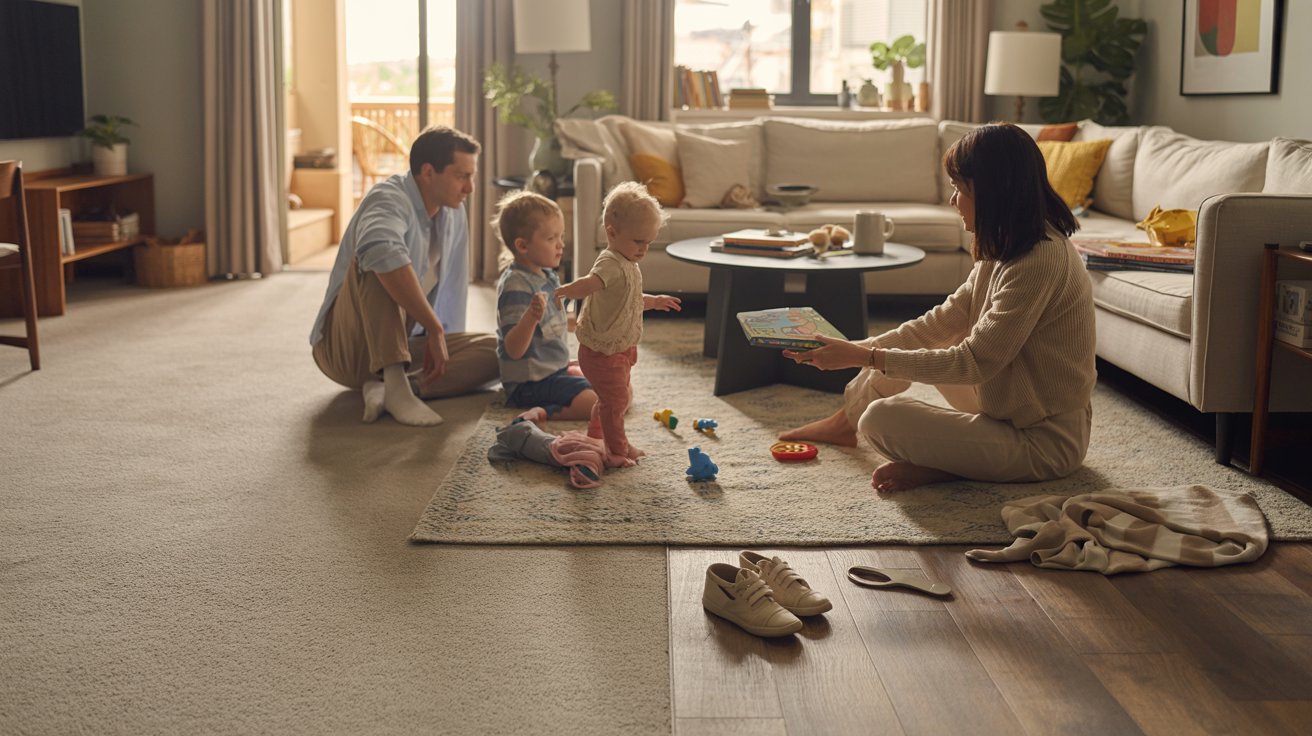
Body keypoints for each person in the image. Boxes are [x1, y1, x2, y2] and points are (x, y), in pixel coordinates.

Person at [779, 122, 1096, 493]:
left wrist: (863, 357)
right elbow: (936, 324)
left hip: (1044, 442)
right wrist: (854, 349)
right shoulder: (1007, 246)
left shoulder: (1038, 260)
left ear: (994, 193)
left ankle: (954, 466)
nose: (952, 201)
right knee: (911, 347)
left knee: (881, 418)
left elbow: (973, 362)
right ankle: (843, 424)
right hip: (1007, 408)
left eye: (960, 189)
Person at [309, 125, 498, 426]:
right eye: (462, 176)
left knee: (500, 349)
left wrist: (442, 342)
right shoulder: (388, 198)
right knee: (378, 255)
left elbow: (450, 296)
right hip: (345, 350)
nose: (470, 188)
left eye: (472, 176)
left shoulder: (454, 213)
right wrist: (434, 328)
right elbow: (380, 251)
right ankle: (394, 381)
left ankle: (399, 388)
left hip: (405, 343)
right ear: (427, 172)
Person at [555, 182, 682, 467]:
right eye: (639, 241)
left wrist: (654, 301)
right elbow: (589, 284)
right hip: (602, 353)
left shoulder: (628, 262)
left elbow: (629, 298)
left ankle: (598, 436)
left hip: (619, 349)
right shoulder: (611, 263)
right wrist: (564, 291)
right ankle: (616, 450)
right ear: (612, 233)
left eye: (649, 242)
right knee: (615, 403)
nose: (644, 249)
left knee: (612, 399)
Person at [492, 190, 598, 423]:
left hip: (552, 371)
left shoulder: (547, 276)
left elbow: (554, 322)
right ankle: (544, 413)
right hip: (529, 383)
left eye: (561, 236)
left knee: (617, 387)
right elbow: (513, 349)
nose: (561, 245)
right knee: (598, 404)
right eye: (551, 239)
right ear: (522, 245)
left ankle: (566, 392)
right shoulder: (516, 286)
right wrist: (530, 317)